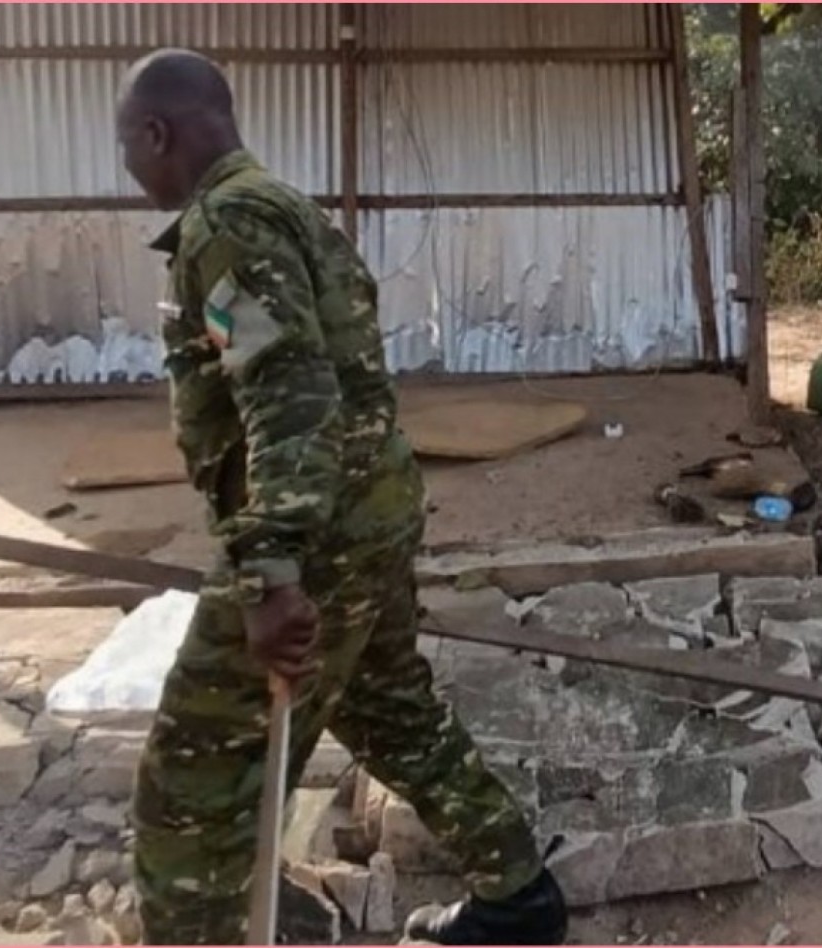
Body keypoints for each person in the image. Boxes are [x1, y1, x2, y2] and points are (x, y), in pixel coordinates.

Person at [115, 48, 567, 946]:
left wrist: (273, 571)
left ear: (156, 134)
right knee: (390, 710)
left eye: (127, 147)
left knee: (194, 787)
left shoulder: (228, 227)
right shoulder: (287, 208)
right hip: (368, 515)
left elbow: (289, 390)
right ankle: (519, 895)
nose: (128, 169)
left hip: (313, 539)